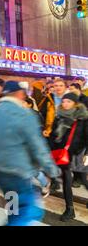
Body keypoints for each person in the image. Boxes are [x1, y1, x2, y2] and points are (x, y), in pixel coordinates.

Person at [0, 81, 61, 226]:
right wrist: (52, 171)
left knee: (14, 208)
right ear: (19, 93)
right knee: (28, 211)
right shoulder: (24, 114)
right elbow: (38, 146)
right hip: (18, 172)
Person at [49, 92, 88, 221]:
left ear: (75, 103)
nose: (65, 104)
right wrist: (51, 149)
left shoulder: (83, 118)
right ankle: (69, 209)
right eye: (64, 101)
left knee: (83, 179)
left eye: (69, 102)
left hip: (78, 154)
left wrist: (87, 154)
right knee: (66, 180)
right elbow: (53, 136)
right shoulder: (59, 116)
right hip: (63, 155)